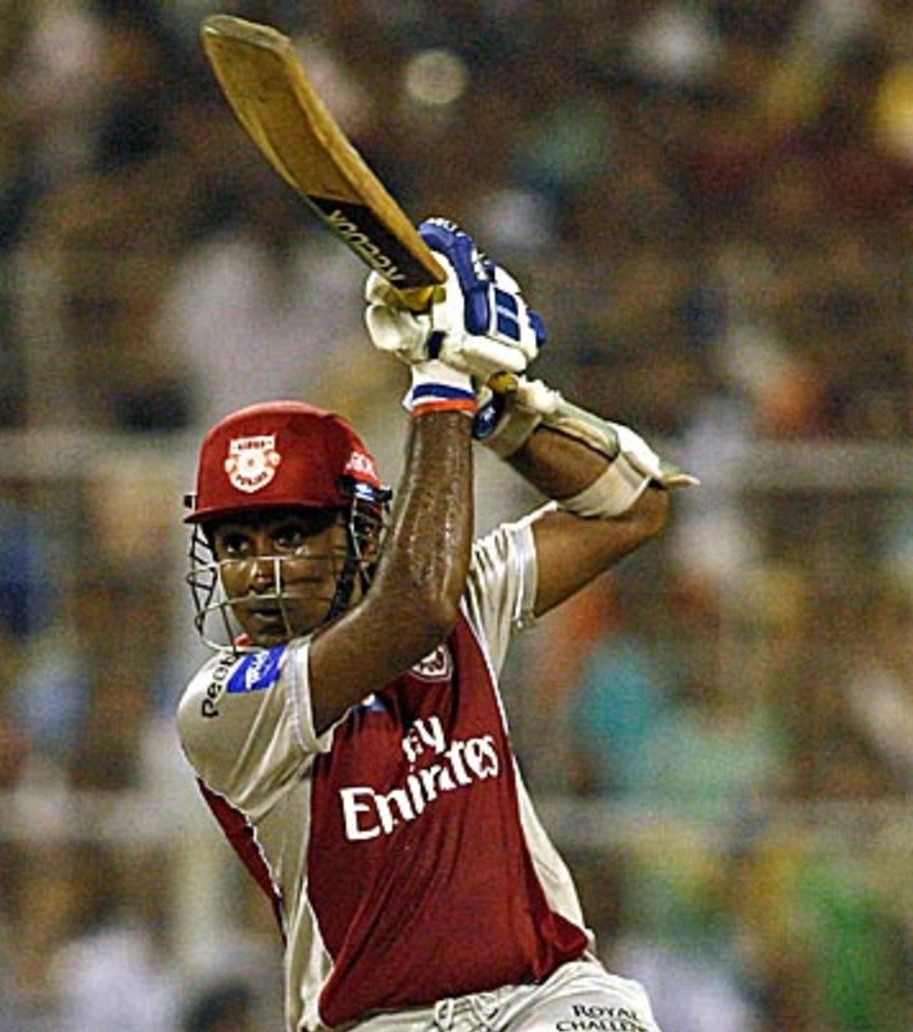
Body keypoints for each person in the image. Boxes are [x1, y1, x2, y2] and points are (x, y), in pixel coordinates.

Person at [176, 216, 696, 1032]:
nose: (260, 569)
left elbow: (633, 507)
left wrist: (503, 406)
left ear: (364, 529)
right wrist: (442, 379)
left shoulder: (459, 601)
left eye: (292, 533)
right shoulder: (225, 704)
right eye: (235, 544)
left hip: (545, 995)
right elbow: (413, 609)